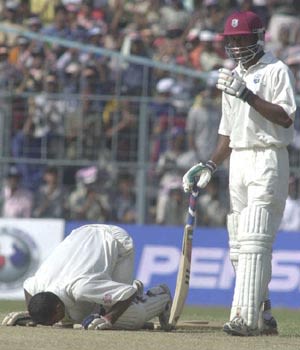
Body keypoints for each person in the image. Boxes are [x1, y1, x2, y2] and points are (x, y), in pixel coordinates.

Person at [182, 10, 296, 336]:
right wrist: (209, 164)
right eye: (230, 40)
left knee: (255, 240)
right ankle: (264, 313)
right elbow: (227, 134)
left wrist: (246, 94)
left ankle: (246, 320)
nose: (235, 45)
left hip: (269, 157)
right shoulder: (232, 76)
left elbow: (285, 117)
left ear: (257, 37)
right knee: (238, 245)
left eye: (240, 39)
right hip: (239, 162)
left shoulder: (277, 71)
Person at [2, 224, 172, 330]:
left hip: (116, 241)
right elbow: (27, 284)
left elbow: (127, 293)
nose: (52, 325)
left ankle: (161, 297)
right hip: (81, 234)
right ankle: (116, 293)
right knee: (78, 316)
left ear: (57, 308)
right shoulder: (39, 284)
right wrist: (32, 314)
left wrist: (108, 319)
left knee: (127, 316)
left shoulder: (82, 286)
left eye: (50, 321)